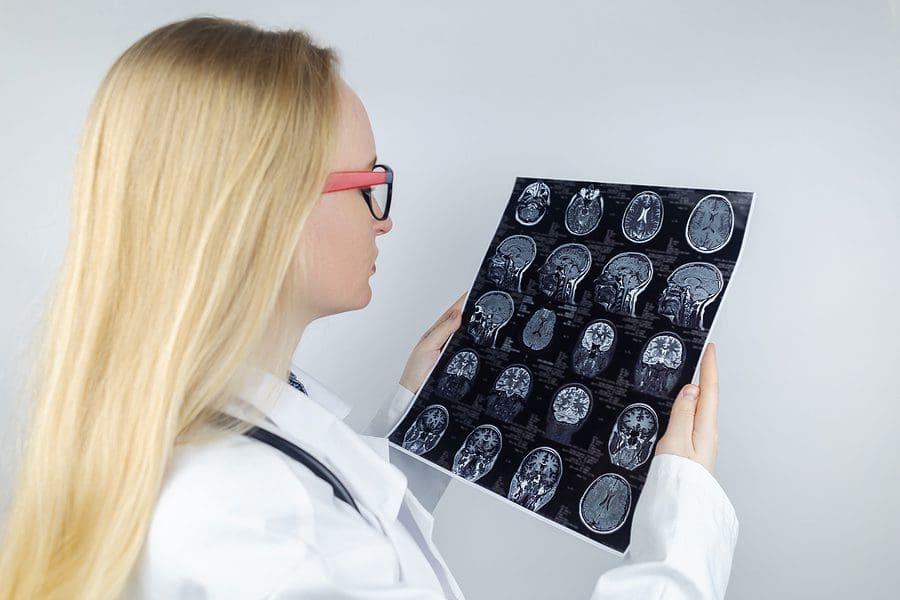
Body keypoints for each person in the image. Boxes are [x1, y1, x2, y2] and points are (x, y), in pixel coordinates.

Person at [0, 16, 738, 599]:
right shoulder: (247, 523)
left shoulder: (200, 440)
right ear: (269, 208)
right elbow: (308, 538)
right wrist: (681, 534)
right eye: (368, 182)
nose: (383, 218)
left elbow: (345, 528)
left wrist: (420, 413)